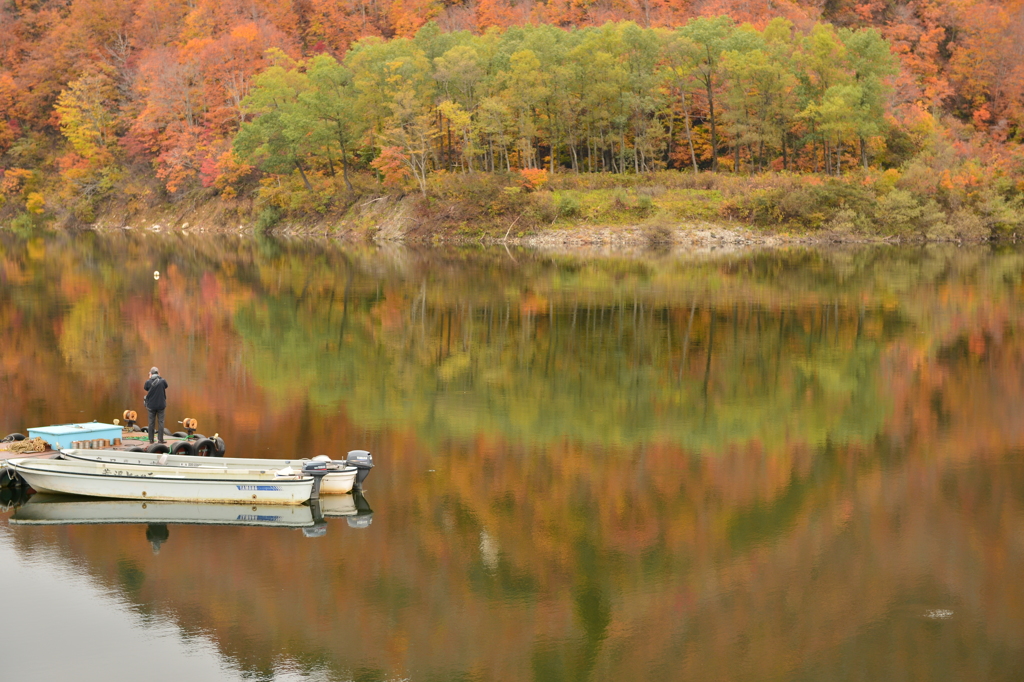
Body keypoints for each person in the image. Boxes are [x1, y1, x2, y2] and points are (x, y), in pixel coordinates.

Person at [144, 367, 169, 444]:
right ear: (158, 373)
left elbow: (146, 388)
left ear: (151, 374)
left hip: (151, 405)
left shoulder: (148, 382)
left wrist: (150, 378)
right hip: (161, 405)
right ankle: (160, 439)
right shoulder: (162, 381)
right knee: (161, 422)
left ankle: (151, 439)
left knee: (151, 423)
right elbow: (166, 386)